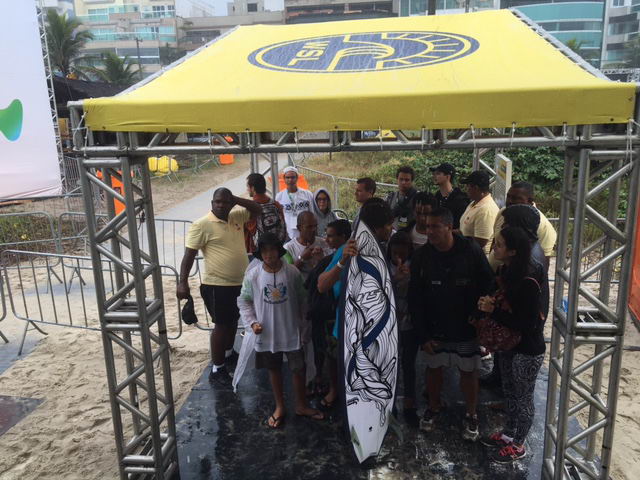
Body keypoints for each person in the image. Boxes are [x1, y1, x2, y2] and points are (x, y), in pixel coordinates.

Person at [408, 207, 495, 441]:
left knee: (469, 370)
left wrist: (479, 314)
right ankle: (433, 407)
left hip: (465, 326)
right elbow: (414, 297)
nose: (429, 231)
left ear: (449, 227)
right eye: (427, 227)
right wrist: (422, 334)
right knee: (433, 369)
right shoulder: (421, 256)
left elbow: (489, 282)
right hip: (434, 326)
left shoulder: (471, 250)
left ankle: (471, 414)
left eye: (435, 226)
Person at [237, 233, 324, 428]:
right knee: (274, 369)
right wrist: (252, 322)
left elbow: (302, 299)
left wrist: (304, 325)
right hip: (267, 334)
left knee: (298, 369)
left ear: (279, 251)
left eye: (272, 250)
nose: (269, 254)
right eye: (264, 251)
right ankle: (280, 407)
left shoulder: (292, 272)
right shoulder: (254, 275)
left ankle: (301, 405)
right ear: (260, 254)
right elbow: (244, 301)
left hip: (291, 331)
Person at [177, 188, 262, 386]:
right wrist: (182, 282)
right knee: (221, 326)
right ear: (212, 203)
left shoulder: (236, 216)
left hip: (239, 283)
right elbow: (189, 256)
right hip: (217, 285)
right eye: (217, 201)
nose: (221, 205)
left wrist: (236, 199)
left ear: (231, 203)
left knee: (232, 321)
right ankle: (217, 368)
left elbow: (258, 209)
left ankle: (229, 354)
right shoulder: (201, 225)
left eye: (225, 202)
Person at [477, 226, 545, 462]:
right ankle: (508, 434)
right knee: (509, 392)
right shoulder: (506, 271)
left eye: (499, 244)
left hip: (527, 350)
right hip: (508, 347)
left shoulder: (528, 280)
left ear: (513, 251)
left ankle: (519, 444)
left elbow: (526, 324)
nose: (494, 247)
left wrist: (493, 311)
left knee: (523, 398)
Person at [304, 219, 351, 408]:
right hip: (332, 312)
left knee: (332, 354)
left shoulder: (343, 252)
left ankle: (333, 389)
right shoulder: (341, 254)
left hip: (334, 312)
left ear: (343, 237)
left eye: (331, 236)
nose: (327, 239)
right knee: (331, 354)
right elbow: (323, 284)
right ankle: (334, 388)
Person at [488, 182, 557, 272]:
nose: (510, 201)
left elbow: (542, 265)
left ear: (530, 201)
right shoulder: (503, 212)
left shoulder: (544, 226)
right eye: (508, 196)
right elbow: (495, 239)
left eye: (516, 198)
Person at [387, 231, 418, 426]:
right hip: (390, 323)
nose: (398, 257)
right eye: (395, 253)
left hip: (409, 321)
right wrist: (395, 279)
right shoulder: (384, 266)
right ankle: (390, 404)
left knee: (408, 362)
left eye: (403, 254)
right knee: (390, 363)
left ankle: (409, 401)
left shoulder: (416, 265)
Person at [244, 173, 287, 255]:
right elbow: (283, 226)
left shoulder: (250, 209)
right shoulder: (276, 204)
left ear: (253, 188)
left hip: (260, 253)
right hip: (277, 250)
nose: (247, 189)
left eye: (248, 187)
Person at [459, 170, 500, 254]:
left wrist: (455, 242)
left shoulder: (486, 210)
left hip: (476, 257)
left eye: (468, 186)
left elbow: (481, 241)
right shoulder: (474, 203)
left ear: (476, 188)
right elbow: (463, 231)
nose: (466, 189)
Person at [284, 211, 332, 280]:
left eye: (315, 226)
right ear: (299, 228)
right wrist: (302, 258)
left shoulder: (325, 244)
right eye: (309, 227)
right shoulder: (288, 248)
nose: (313, 229)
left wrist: (321, 260)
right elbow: (288, 276)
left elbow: (332, 271)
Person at [275, 166, 315, 240]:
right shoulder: (279, 196)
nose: (290, 180)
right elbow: (279, 216)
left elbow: (312, 213)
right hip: (288, 233)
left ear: (297, 178)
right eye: (287, 177)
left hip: (306, 232)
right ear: (284, 179)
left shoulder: (307, 194)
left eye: (293, 177)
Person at [431, 163, 469, 230]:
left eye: (438, 173)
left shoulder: (460, 199)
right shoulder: (436, 197)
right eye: (433, 174)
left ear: (448, 177)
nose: (434, 176)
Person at [386, 166, 418, 231]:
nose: (403, 182)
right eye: (401, 179)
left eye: (407, 180)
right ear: (397, 180)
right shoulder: (390, 197)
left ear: (412, 181)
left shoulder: (417, 198)